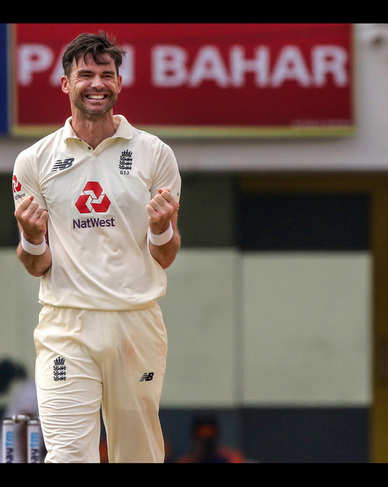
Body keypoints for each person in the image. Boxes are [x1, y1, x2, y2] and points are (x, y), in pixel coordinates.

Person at [11, 32, 181, 463]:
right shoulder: (35, 161)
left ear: (119, 84)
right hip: (67, 325)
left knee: (137, 454)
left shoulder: (153, 153)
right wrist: (31, 238)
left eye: (106, 74)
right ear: (66, 84)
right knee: (68, 455)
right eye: (85, 74)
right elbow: (36, 264)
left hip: (135, 323)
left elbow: (165, 254)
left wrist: (161, 228)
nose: (97, 83)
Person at [176, 416, 244, 463]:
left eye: (209, 437)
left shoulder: (230, 458)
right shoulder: (187, 460)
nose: (205, 441)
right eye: (201, 436)